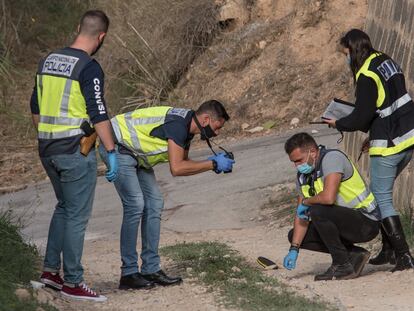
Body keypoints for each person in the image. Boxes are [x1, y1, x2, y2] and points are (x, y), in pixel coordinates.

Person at [99, 100, 235, 290]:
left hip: (136, 156)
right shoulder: (178, 125)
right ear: (205, 119)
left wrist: (211, 163)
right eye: (217, 127)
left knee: (154, 202)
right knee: (136, 204)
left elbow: (183, 162)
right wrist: (212, 164)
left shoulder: (187, 128)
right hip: (116, 147)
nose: (217, 132)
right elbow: (177, 168)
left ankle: (150, 269)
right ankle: (129, 273)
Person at [30, 10, 118, 302]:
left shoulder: (48, 61)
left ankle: (51, 273)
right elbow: (99, 112)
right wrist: (111, 152)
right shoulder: (88, 67)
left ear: (79, 28)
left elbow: (35, 107)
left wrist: (47, 136)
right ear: (101, 36)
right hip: (74, 151)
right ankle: (74, 281)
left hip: (47, 149)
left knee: (64, 207)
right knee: (77, 216)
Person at [324, 29, 414, 272]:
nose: (346, 59)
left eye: (345, 53)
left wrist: (338, 123)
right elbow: (387, 104)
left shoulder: (365, 75)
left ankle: (403, 256)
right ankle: (388, 250)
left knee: (381, 198)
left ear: (352, 49)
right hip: (407, 137)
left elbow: (361, 116)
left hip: (390, 144)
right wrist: (373, 134)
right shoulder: (385, 60)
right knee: (379, 192)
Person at [282, 133, 380, 281]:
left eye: (299, 160)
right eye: (293, 162)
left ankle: (342, 264)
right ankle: (353, 255)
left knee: (318, 210)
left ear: (312, 152)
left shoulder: (332, 159)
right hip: (342, 222)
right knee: (294, 235)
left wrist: (307, 202)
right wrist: (294, 249)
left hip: (365, 222)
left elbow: (328, 198)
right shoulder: (303, 177)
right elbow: (301, 216)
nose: (297, 166)